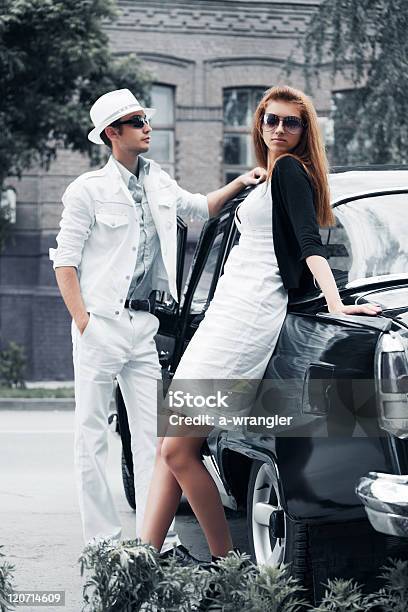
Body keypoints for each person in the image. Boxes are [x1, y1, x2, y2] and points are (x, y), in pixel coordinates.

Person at [140, 85, 382, 560]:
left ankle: (223, 563)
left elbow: (311, 244)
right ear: (260, 124)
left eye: (291, 122)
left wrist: (335, 304)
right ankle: (141, 560)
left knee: (176, 451)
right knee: (170, 447)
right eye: (271, 120)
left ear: (304, 130)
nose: (279, 130)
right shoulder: (271, 176)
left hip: (247, 316)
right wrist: (249, 184)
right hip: (226, 311)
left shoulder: (292, 170)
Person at [49, 88, 264, 557]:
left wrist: (241, 182)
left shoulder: (158, 180)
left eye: (145, 117)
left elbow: (200, 208)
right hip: (101, 323)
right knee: (91, 437)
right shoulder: (87, 189)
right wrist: (85, 322)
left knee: (153, 438)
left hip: (144, 326)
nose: (147, 125)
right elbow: (65, 263)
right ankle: (102, 542)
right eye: (136, 120)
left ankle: (157, 540)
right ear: (112, 134)